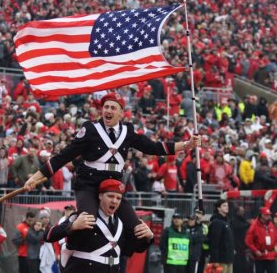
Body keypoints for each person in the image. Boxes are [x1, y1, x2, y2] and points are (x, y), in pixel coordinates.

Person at [24, 93, 201, 230]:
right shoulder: (90, 129)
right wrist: (35, 178)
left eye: (113, 108)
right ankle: (68, 234)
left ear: (121, 113)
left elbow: (153, 147)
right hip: (89, 184)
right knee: (87, 223)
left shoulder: (128, 131)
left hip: (114, 188)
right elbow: (64, 156)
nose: (108, 110)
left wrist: (186, 144)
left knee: (138, 229)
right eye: (106, 107)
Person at [43, 178, 154, 272]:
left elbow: (133, 249)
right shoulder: (84, 216)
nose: (115, 201)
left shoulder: (122, 223)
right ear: (100, 196)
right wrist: (72, 226)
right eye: (110, 196)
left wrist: (148, 238)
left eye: (118, 198)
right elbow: (48, 235)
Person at [245, 207, 277, 273]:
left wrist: (276, 248)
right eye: (267, 215)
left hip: (271, 256)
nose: (269, 216)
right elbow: (248, 241)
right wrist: (255, 251)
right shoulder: (254, 225)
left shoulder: (271, 225)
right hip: (260, 256)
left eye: (269, 214)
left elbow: (276, 238)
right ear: (262, 215)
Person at [208, 199, 235, 273]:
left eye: (227, 205)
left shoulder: (226, 221)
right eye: (224, 205)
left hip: (228, 258)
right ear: (218, 208)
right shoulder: (216, 222)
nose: (227, 207)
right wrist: (215, 260)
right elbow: (214, 242)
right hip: (220, 259)